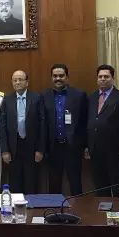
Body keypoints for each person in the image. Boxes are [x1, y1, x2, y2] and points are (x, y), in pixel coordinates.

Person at [86, 65, 119, 196]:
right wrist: (87, 146)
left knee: (117, 185)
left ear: (113, 78)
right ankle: (102, 208)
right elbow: (88, 122)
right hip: (95, 149)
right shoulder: (91, 98)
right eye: (100, 77)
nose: (103, 79)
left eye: (106, 76)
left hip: (115, 150)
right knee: (100, 186)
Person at [42, 64, 88, 195]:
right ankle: (54, 207)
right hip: (53, 147)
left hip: (72, 146)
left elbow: (85, 122)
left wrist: (86, 145)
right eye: (55, 76)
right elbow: (42, 123)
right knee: (54, 182)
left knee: (75, 181)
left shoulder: (79, 95)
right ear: (51, 78)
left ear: (67, 77)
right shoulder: (44, 96)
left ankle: (78, 207)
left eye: (61, 76)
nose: (58, 78)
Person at [0, 70, 45, 194]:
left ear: (27, 82)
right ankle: (17, 204)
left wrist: (40, 149)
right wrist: (5, 150)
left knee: (31, 181)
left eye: (20, 80)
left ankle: (32, 205)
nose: (17, 82)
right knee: (15, 182)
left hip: (32, 146)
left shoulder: (36, 98)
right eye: (15, 80)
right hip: (14, 147)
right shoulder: (7, 99)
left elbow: (42, 125)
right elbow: (2, 126)